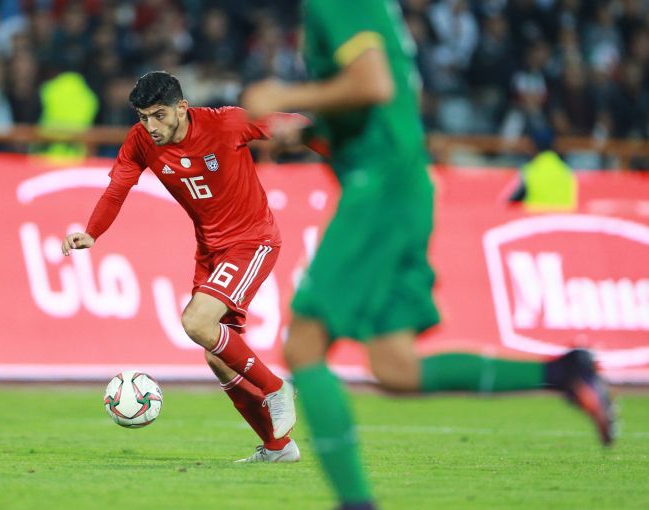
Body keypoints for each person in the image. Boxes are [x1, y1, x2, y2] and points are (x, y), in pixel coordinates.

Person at [242, 1, 615, 508]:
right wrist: (310, 133)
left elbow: (374, 83)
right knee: (396, 367)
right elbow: (389, 97)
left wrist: (283, 95)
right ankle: (564, 373)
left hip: (380, 188)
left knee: (304, 345)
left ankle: (356, 503)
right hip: (405, 185)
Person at [61, 71, 300, 463]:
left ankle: (276, 388)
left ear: (182, 108)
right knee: (217, 356)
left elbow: (291, 124)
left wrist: (339, 149)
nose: (151, 126)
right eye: (144, 117)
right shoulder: (140, 141)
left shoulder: (225, 123)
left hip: (251, 240)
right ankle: (278, 448)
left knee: (196, 323)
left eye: (159, 115)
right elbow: (117, 189)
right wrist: (92, 232)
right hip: (210, 251)